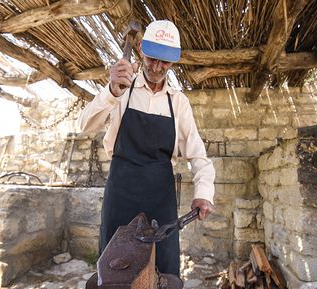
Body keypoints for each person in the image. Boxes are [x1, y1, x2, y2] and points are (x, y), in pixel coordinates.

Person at [78, 20, 215, 276]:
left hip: (160, 196)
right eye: (152, 59)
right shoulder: (121, 88)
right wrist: (110, 92)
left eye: (165, 62)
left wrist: (204, 191)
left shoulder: (178, 102)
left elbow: (198, 154)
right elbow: (85, 125)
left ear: (174, 61)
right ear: (140, 48)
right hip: (121, 190)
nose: (157, 67)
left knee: (163, 269)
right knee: (114, 268)